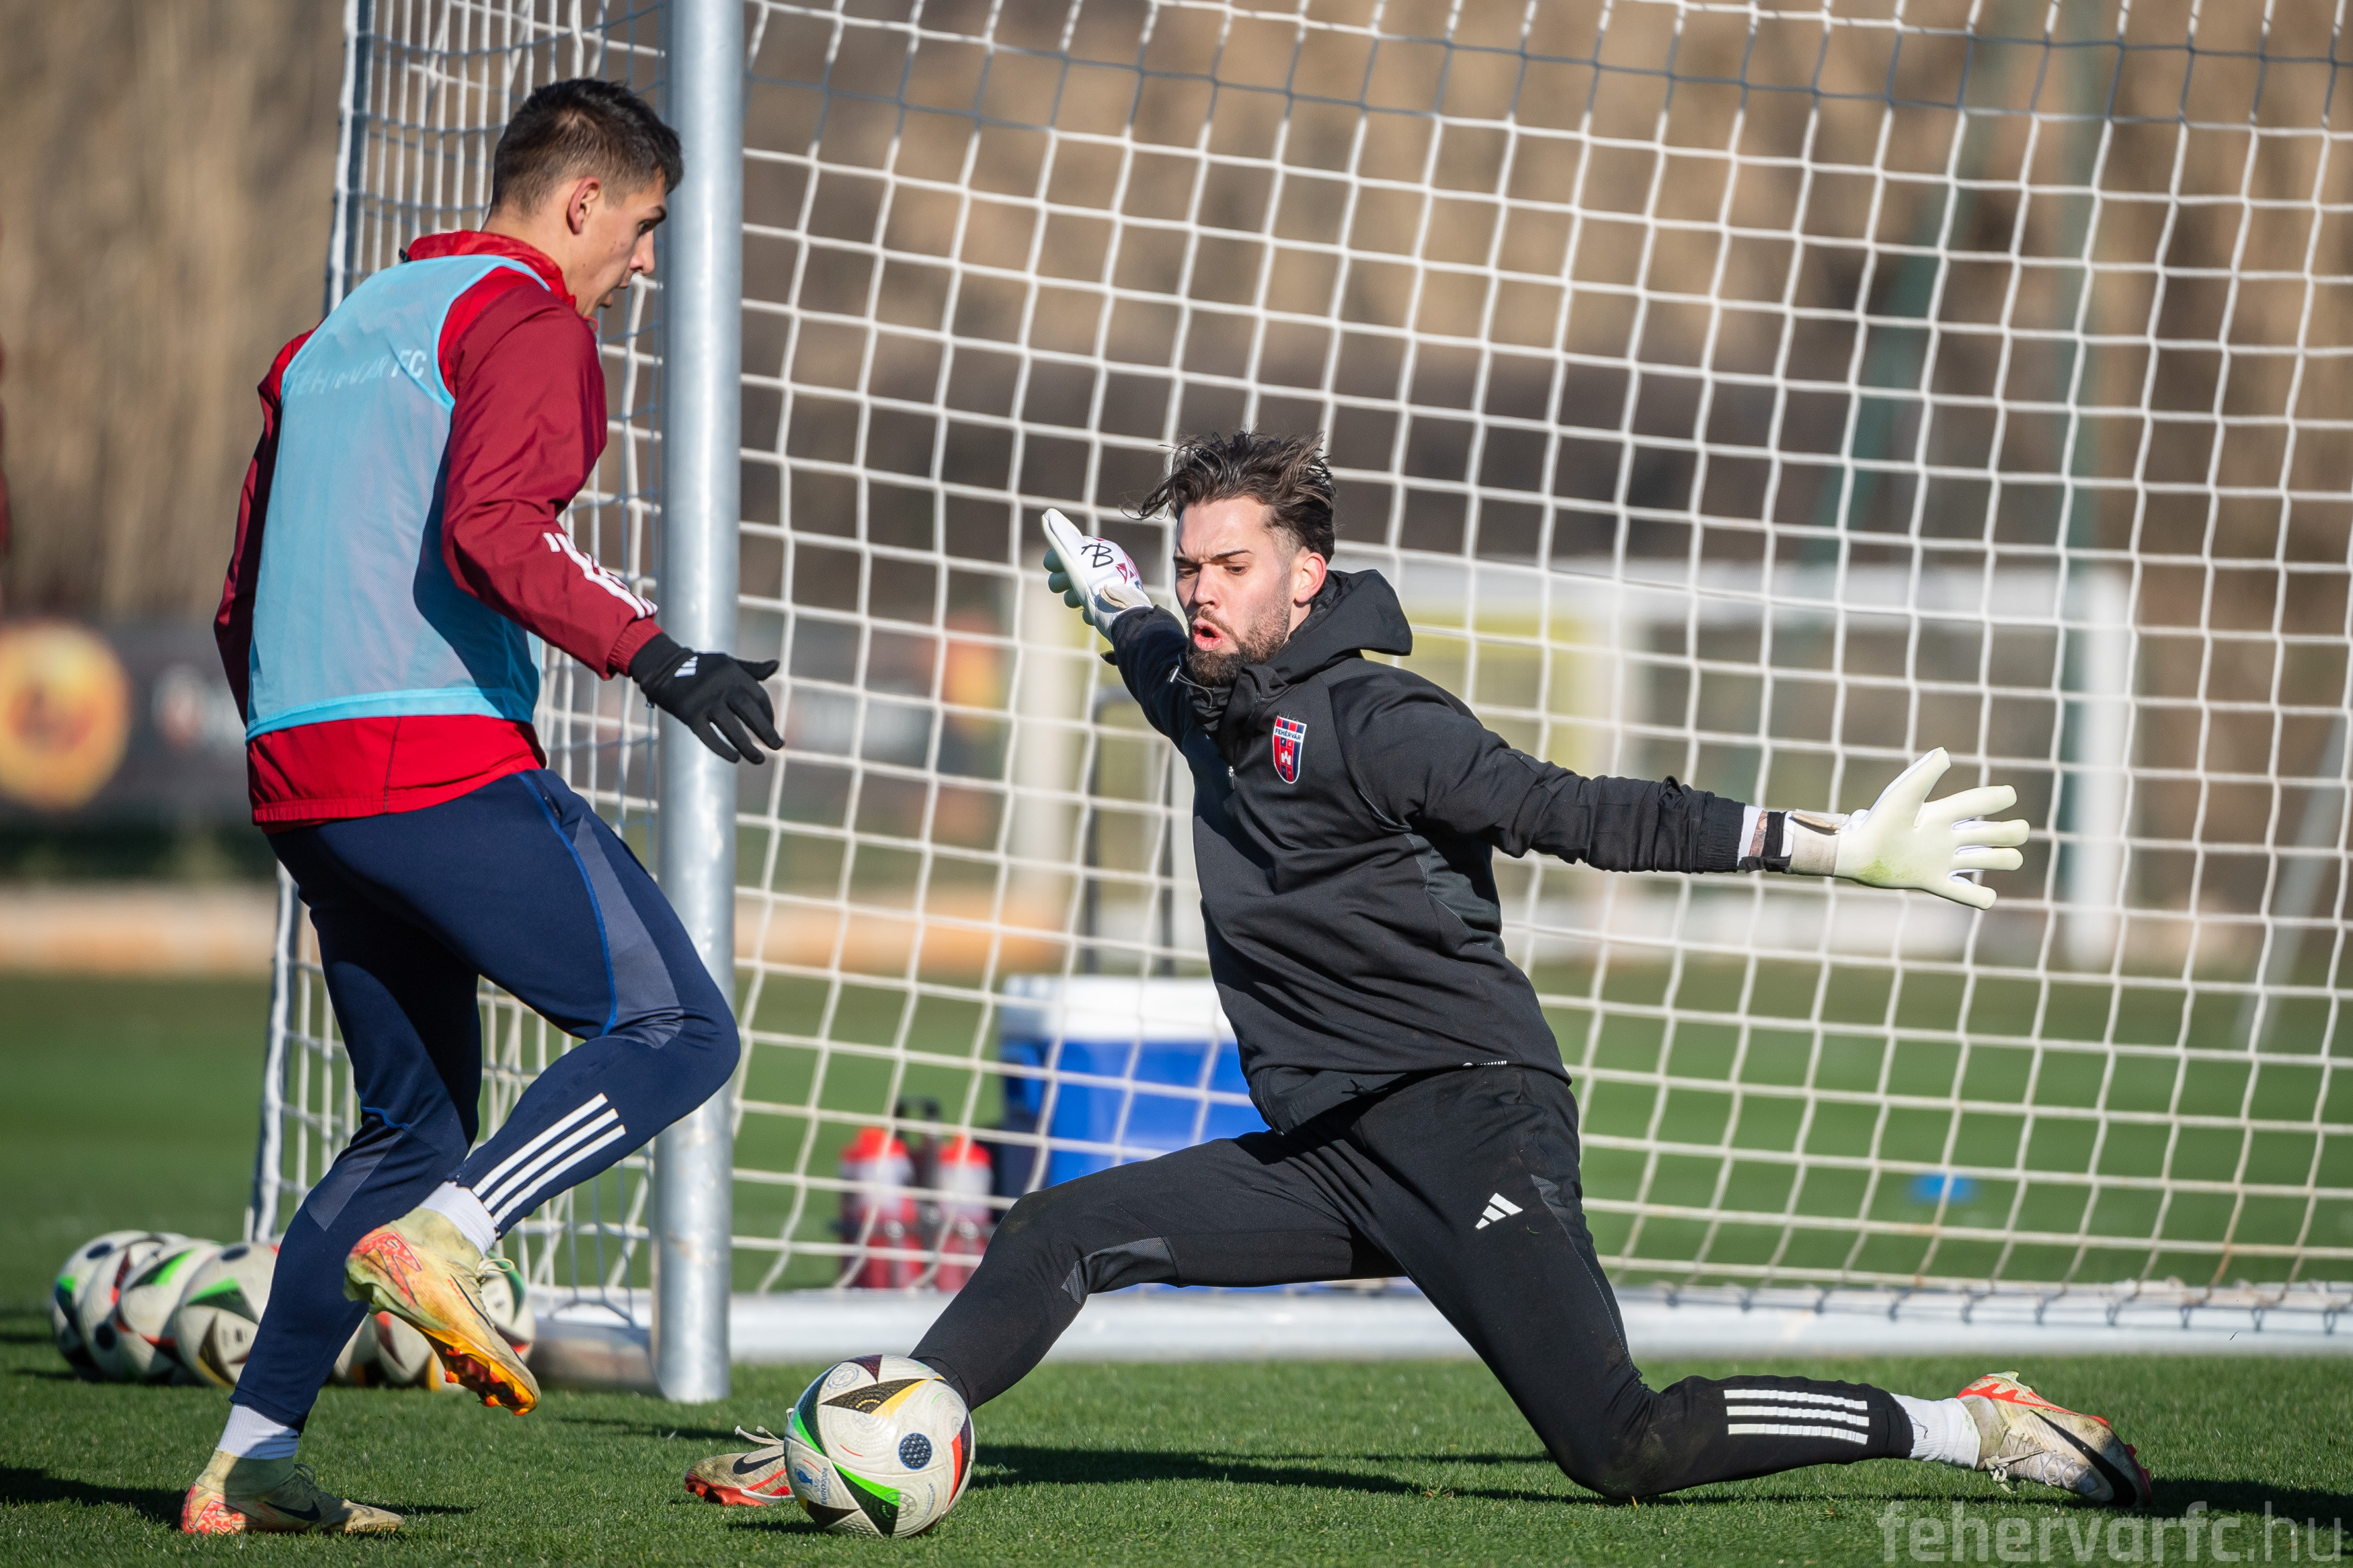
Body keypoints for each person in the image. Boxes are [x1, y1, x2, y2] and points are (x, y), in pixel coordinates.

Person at [688, 430, 2149, 1514]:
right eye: (1191, 566)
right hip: (1333, 1146)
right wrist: (1121, 599)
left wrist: (1830, 849)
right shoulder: (1206, 690)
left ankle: (1973, 1425)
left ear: (1306, 577)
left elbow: (1586, 813)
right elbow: (1149, 651)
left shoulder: (1383, 721)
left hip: (1469, 1118)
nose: (1202, 592)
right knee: (1058, 1227)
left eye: (1231, 566)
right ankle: (871, 1431)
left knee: (1621, 1446)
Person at [187, 79, 783, 1537]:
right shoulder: (526, 318)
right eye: (645, 225)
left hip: (303, 776)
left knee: (408, 1126)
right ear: (584, 201)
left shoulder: (339, 333)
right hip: (431, 761)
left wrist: (289, 749)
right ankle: (449, 1242)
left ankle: (250, 1461)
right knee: (680, 1030)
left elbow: (238, 593)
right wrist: (662, 659)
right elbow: (494, 531)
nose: (645, 261)